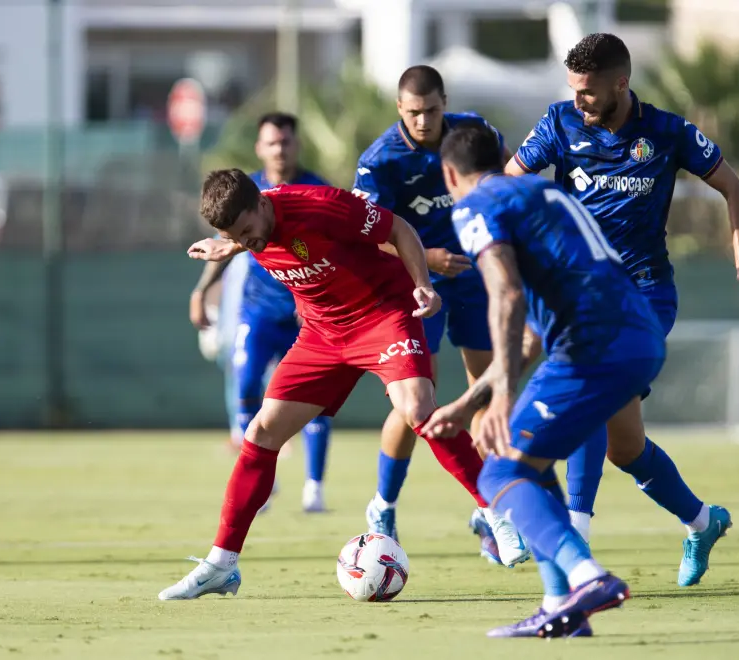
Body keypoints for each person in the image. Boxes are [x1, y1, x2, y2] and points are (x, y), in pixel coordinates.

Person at [157, 170, 525, 600]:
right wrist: (233, 245)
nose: (249, 242)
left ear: (261, 204)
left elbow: (400, 229)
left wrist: (423, 286)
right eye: (237, 235)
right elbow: (259, 234)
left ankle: (496, 509)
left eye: (247, 231)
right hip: (323, 333)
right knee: (260, 433)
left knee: (418, 410)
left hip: (383, 313)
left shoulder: (321, 206)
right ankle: (222, 565)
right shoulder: (251, 228)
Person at [425, 121, 731, 637]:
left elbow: (506, 293)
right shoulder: (544, 191)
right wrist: (467, 401)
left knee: (497, 474)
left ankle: (587, 577)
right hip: (638, 337)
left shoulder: (474, 204)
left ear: (450, 174)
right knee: (535, 462)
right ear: (503, 155)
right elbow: (528, 342)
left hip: (593, 348)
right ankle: (560, 604)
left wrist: (499, 398)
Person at [503, 33, 739, 579]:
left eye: (588, 91)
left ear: (621, 83)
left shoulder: (668, 132)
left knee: (592, 394)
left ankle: (574, 537)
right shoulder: (559, 124)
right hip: (579, 295)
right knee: (624, 447)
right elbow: (509, 185)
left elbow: (734, 188)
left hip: (646, 293)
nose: (579, 100)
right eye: (574, 90)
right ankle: (702, 522)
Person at [351, 65, 529, 568]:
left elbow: (507, 181)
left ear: (444, 102)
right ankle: (383, 506)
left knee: (488, 394)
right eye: (414, 113)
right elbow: (369, 235)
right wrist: (426, 258)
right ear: (399, 110)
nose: (425, 121)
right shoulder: (380, 161)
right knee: (415, 404)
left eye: (432, 110)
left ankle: (490, 512)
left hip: (475, 276)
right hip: (414, 286)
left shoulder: (474, 133)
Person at [190, 113, 332, 513]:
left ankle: (314, 488)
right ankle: (262, 484)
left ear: (295, 144)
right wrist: (202, 290)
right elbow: (224, 247)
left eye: (285, 142)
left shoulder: (316, 189)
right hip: (260, 314)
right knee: (247, 385)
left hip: (308, 317)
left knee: (314, 400)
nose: (279, 149)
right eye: (272, 142)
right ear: (259, 147)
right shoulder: (245, 193)